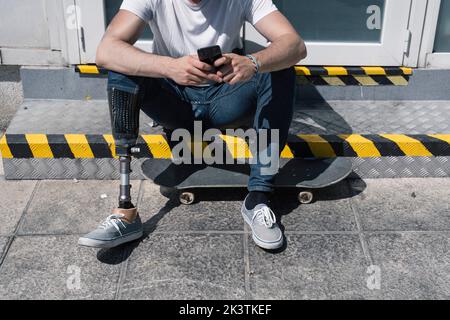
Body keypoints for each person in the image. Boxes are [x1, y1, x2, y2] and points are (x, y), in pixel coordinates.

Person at [78, 0, 307, 251]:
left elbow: (294, 45)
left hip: (227, 97)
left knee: (280, 68)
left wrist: (252, 62)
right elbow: (105, 51)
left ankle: (259, 197)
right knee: (120, 66)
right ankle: (125, 210)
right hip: (175, 101)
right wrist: (171, 67)